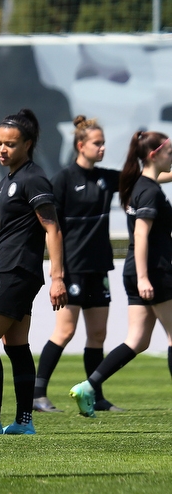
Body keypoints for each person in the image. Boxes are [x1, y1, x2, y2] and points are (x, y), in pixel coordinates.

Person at [0, 109, 67, 437]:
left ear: (28, 144)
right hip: (13, 271)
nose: (2, 149)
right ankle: (24, 422)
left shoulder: (33, 178)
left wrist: (57, 277)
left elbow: (53, 229)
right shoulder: (9, 179)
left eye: (10, 143)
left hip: (16, 272)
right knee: (16, 347)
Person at [70, 130, 172, 415]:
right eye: (170, 152)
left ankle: (88, 386)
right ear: (154, 155)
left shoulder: (138, 185)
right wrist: (144, 278)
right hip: (153, 271)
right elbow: (141, 236)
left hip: (136, 270)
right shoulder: (149, 191)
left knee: (137, 341)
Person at [33, 116, 123, 413]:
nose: (103, 148)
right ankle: (37, 395)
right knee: (65, 332)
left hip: (99, 267)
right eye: (97, 143)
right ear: (81, 145)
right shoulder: (63, 180)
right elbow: (50, 229)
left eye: (103, 143)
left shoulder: (106, 178)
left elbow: (143, 178)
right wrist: (55, 273)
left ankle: (95, 396)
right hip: (72, 267)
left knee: (98, 334)